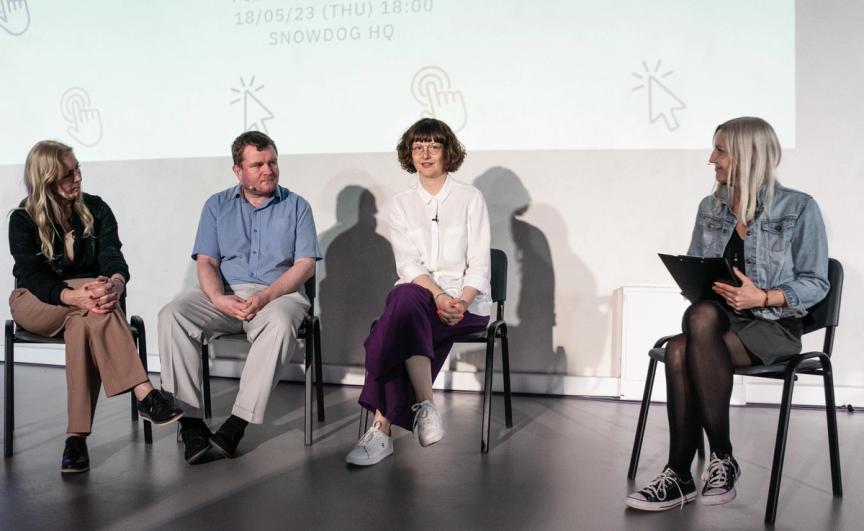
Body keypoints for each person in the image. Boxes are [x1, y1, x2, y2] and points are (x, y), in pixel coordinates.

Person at [625, 117, 829, 511]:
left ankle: (685, 471)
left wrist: (764, 297)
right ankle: (716, 461)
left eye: (720, 150)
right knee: (700, 316)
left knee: (682, 350)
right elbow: (699, 266)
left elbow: (817, 282)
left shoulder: (799, 208)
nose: (711, 159)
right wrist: (695, 280)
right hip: (719, 322)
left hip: (775, 327)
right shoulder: (710, 207)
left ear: (746, 155)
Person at [8, 140, 183, 474]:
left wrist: (115, 284)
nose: (77, 178)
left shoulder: (97, 208)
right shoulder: (22, 219)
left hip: (85, 307)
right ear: (45, 180)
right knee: (91, 302)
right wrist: (77, 295)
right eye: (67, 174)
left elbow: (112, 256)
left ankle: (75, 440)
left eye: (78, 169)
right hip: (36, 303)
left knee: (85, 319)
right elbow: (31, 275)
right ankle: (145, 393)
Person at [158, 131, 320, 464]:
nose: (268, 170)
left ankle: (237, 423)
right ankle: (191, 423)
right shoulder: (216, 205)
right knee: (172, 314)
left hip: (279, 295)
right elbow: (207, 261)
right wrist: (217, 298)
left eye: (272, 162)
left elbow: (304, 266)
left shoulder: (297, 206)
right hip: (227, 295)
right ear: (237, 171)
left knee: (280, 321)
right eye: (258, 164)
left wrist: (265, 296)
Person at [345, 118, 492, 466]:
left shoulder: (471, 198)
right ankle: (425, 405)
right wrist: (438, 297)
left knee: (385, 333)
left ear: (447, 151)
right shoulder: (400, 203)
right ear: (409, 154)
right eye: (417, 146)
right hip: (423, 300)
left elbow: (480, 264)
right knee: (405, 299)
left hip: (466, 303)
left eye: (433, 146)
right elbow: (408, 266)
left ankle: (381, 430)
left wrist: (459, 300)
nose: (425, 154)